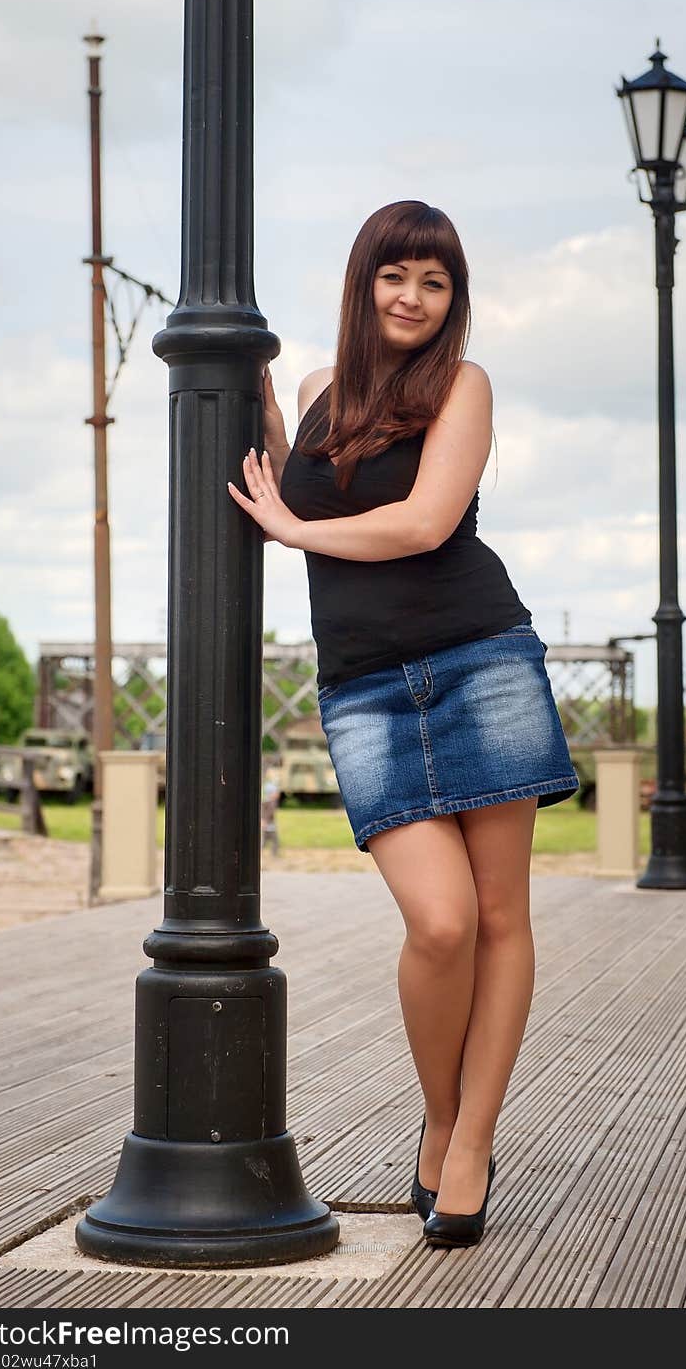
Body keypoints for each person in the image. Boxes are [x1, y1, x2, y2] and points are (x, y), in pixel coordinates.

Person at [227, 200, 579, 1248]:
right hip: (365, 686)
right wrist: (253, 393)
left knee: (499, 918)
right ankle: (438, 1115)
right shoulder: (316, 389)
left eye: (434, 283)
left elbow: (426, 522)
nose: (413, 299)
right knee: (439, 923)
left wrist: (294, 530)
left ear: (451, 299)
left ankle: (467, 1143)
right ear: (363, 282)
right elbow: (307, 483)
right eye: (396, 277)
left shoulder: (461, 389)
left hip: (479, 660)